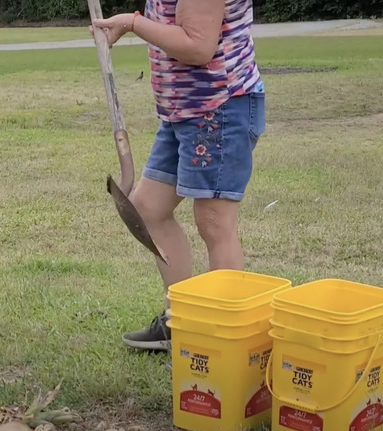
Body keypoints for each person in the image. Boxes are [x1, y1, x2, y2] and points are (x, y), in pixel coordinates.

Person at [90, 0, 266, 353]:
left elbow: (198, 47)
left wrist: (134, 23)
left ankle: (226, 338)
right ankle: (182, 320)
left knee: (215, 222)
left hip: (219, 108)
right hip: (184, 113)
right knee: (146, 208)